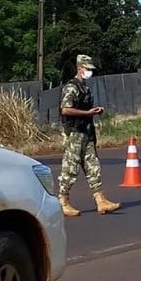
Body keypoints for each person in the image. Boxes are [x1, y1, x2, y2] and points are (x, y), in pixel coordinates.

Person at [57, 54, 122, 217]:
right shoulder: (71, 87)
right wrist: (86, 113)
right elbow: (65, 109)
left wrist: (93, 112)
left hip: (86, 132)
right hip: (74, 134)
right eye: (88, 69)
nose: (90, 72)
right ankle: (63, 201)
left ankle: (101, 200)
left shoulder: (85, 88)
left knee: (93, 167)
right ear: (80, 69)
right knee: (70, 169)